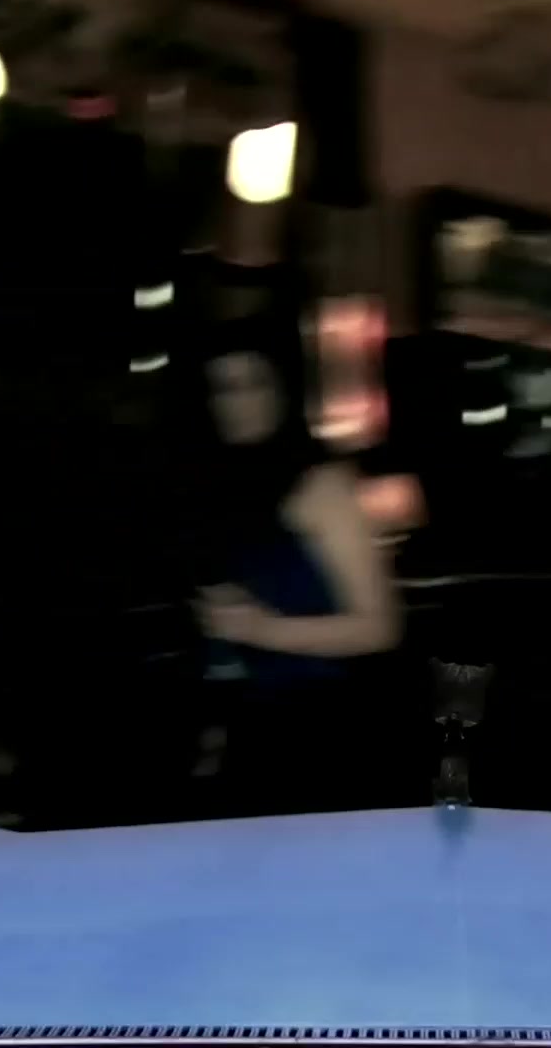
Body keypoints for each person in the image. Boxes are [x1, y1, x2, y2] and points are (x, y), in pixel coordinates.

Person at [175, 267, 403, 811]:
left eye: (251, 384)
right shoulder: (231, 487)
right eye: (222, 388)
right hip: (254, 724)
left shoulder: (323, 484)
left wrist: (261, 628)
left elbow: (380, 626)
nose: (236, 403)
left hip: (322, 730)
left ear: (280, 390)